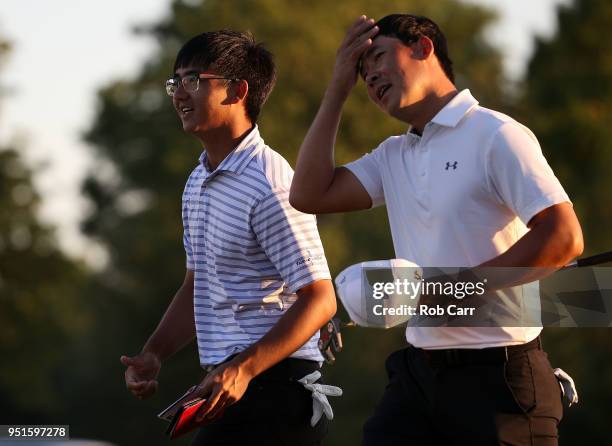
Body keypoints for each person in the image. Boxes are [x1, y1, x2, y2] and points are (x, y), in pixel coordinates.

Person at [290, 14, 583, 445]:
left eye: (377, 57)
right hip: (419, 375)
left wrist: (455, 290)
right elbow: (308, 195)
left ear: (423, 48)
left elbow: (563, 237)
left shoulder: (497, 133)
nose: (369, 75)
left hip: (501, 379)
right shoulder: (393, 154)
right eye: (360, 70)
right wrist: (337, 89)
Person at [120, 30, 337, 445]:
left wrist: (245, 368)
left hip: (279, 390)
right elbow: (197, 283)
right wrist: (154, 354)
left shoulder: (268, 182)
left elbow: (321, 298)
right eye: (175, 82)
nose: (179, 94)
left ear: (238, 91)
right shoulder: (198, 180)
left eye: (193, 81)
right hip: (231, 385)